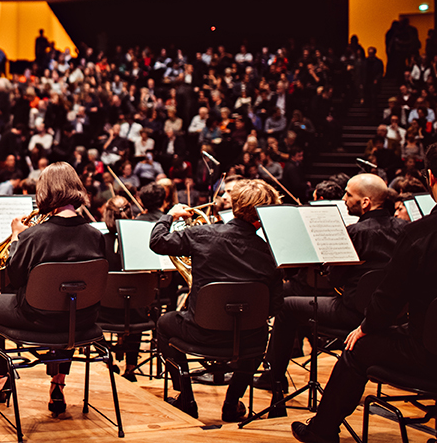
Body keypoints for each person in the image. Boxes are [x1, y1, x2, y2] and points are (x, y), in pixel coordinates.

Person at [292, 140, 437, 443]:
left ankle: (321, 431)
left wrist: (366, 327)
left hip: (432, 357)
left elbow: (388, 299)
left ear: (430, 177)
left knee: (357, 347)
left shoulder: (421, 233)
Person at [0, 162, 107, 415]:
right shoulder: (95, 235)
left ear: (45, 192)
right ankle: (58, 384)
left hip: (37, 319)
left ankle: (1, 377)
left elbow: (14, 277)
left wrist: (16, 237)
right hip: (81, 319)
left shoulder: (33, 236)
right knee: (69, 299)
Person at [257, 173, 406, 397]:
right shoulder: (404, 229)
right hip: (391, 315)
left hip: (354, 314)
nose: (344, 199)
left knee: (287, 306)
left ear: (365, 202)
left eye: (348, 194)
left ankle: (273, 378)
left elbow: (335, 280)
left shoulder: (355, 232)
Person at [150, 178, 283, 421]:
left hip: (200, 331)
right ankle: (232, 403)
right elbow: (274, 305)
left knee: (163, 323)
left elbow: (158, 242)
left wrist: (169, 216)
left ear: (233, 204)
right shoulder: (271, 251)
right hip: (248, 337)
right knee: (262, 331)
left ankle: (186, 397)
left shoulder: (202, 234)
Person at [98, 196, 148, 381]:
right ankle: (131, 367)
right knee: (138, 303)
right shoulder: (141, 242)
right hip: (136, 313)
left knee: (85, 315)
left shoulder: (99, 241)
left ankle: (108, 357)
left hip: (105, 312)